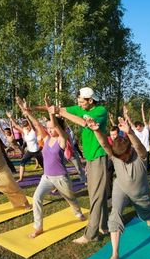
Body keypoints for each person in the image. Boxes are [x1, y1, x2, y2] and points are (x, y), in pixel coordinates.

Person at [86, 115, 150, 259]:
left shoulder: (140, 155)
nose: (120, 159)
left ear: (129, 150)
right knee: (115, 215)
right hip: (120, 188)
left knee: (145, 213)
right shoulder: (115, 155)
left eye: (122, 156)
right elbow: (103, 143)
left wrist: (130, 132)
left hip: (140, 193)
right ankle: (115, 254)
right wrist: (97, 131)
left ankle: (149, 221)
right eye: (117, 157)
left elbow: (140, 146)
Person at [16, 95, 85, 238]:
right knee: (36, 198)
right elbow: (36, 124)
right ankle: (38, 227)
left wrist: (51, 112)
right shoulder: (46, 138)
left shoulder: (62, 139)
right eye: (48, 128)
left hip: (61, 178)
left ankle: (77, 212)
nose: (49, 129)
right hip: (46, 177)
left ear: (58, 127)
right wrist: (26, 111)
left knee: (70, 198)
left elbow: (56, 127)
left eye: (51, 127)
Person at [47, 87, 109, 244]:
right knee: (97, 194)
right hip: (90, 158)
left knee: (95, 196)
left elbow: (83, 122)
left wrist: (62, 113)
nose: (79, 104)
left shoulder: (100, 110)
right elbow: (59, 109)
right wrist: (42, 108)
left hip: (99, 157)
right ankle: (104, 225)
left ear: (90, 100)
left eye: (82, 102)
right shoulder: (81, 107)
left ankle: (91, 235)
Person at [7, 111, 44, 182]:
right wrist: (11, 117)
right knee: (22, 163)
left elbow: (32, 125)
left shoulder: (34, 131)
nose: (26, 127)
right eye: (25, 126)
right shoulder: (24, 131)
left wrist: (27, 117)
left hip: (37, 151)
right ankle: (21, 178)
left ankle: (48, 176)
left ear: (30, 125)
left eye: (27, 126)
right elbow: (16, 125)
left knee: (43, 166)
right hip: (29, 151)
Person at [132, 103, 150, 173]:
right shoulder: (135, 131)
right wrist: (126, 114)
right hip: (138, 150)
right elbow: (130, 123)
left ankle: (148, 172)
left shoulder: (146, 129)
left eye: (138, 127)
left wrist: (142, 109)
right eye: (136, 128)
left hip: (147, 150)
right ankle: (140, 172)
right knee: (139, 162)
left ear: (141, 126)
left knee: (147, 163)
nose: (137, 129)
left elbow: (144, 120)